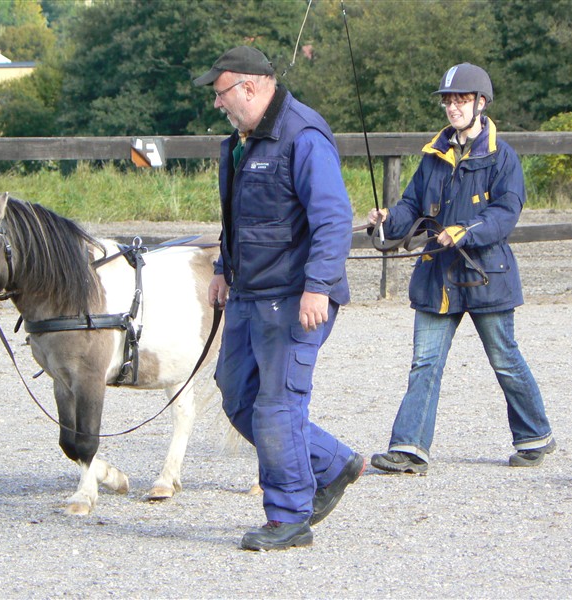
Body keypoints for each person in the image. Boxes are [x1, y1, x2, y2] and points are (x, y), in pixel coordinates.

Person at [193, 46, 365, 551]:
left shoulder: (303, 136)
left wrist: (317, 286)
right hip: (249, 294)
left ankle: (288, 516)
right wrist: (224, 268)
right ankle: (333, 462)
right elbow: (238, 218)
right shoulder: (238, 144)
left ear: (249, 87)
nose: (218, 104)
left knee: (276, 405)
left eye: (222, 93)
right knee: (236, 393)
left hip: (294, 298)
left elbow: (333, 219)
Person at [368, 63, 555, 475]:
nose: (453, 107)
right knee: (425, 362)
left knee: (504, 358)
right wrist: (387, 220)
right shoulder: (434, 155)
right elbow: (411, 207)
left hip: (486, 273)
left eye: (461, 100)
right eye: (448, 101)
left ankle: (535, 435)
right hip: (438, 278)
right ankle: (410, 448)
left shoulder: (502, 157)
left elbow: (506, 212)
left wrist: (465, 231)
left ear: (480, 103)